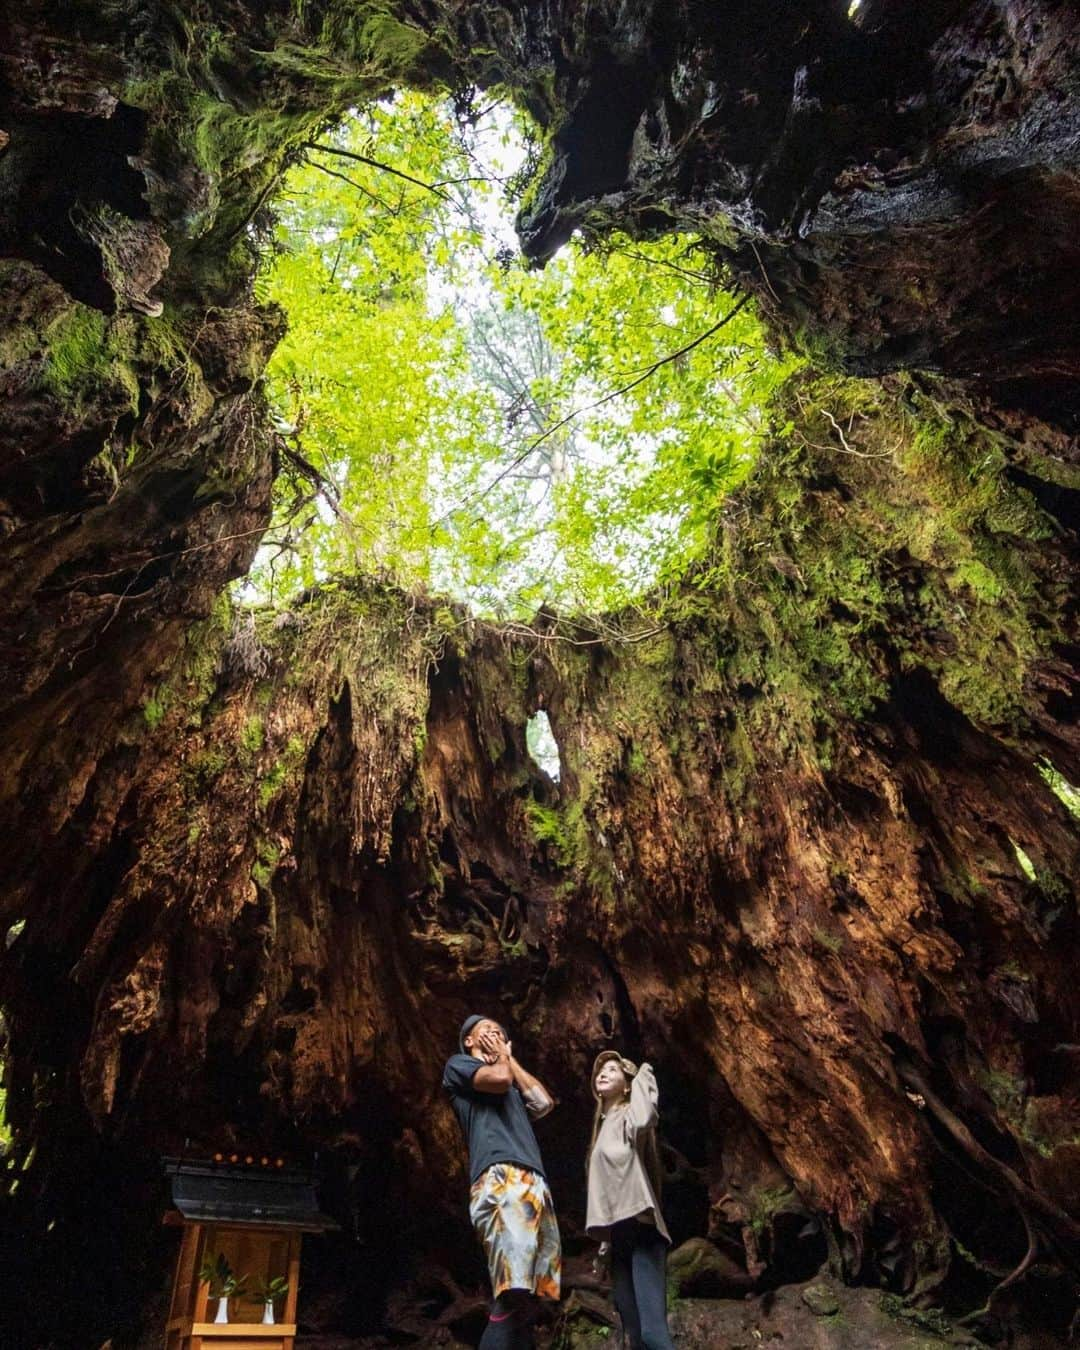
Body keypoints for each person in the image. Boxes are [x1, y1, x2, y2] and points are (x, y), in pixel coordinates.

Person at [442, 1015, 561, 1348]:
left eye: (500, 1031)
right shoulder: (460, 1066)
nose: (495, 1033)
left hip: (534, 1181)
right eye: (486, 1030)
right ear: (469, 1040)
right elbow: (497, 1081)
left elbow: (543, 1103)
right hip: (500, 1177)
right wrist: (503, 1062)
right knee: (513, 1290)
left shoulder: (509, 1072)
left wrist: (511, 1059)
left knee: (529, 1298)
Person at [586, 1051, 675, 1350]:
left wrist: (642, 1070)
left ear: (627, 1084)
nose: (603, 1072)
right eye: (600, 1070)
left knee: (653, 1334)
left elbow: (646, 1115)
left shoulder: (628, 1117)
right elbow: (608, 1191)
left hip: (642, 1231)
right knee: (634, 1338)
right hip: (619, 1241)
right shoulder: (601, 1130)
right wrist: (604, 1246)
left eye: (613, 1069)